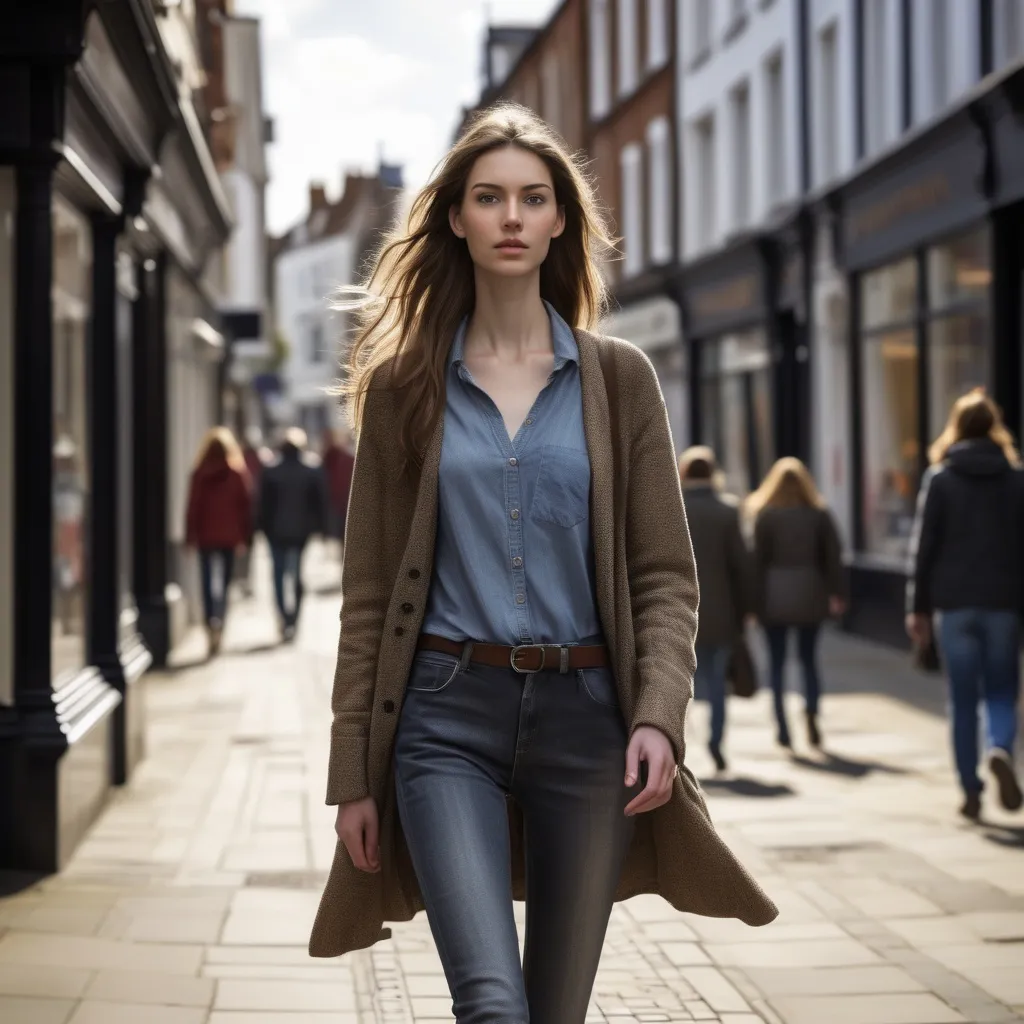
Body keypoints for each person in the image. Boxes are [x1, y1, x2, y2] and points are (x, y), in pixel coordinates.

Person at [308, 103, 777, 1022]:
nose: (512, 217)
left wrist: (658, 715)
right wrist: (351, 776)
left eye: (533, 198)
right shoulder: (404, 386)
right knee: (493, 1005)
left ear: (563, 217)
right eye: (489, 198)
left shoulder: (619, 379)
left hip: (588, 723)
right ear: (457, 218)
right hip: (444, 719)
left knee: (554, 1011)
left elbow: (664, 576)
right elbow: (367, 601)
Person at [906, 388, 1024, 821]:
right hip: (1003, 603)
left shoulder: (941, 478)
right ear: (994, 426)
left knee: (961, 699)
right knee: (1001, 691)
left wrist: (916, 608)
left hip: (953, 606)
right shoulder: (1016, 479)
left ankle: (971, 790)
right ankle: (999, 748)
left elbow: (924, 548)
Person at [748, 457, 846, 750]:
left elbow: (755, 563)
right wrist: (837, 593)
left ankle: (782, 727)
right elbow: (833, 557)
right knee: (808, 660)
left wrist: (751, 604)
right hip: (810, 594)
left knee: (776, 664)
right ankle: (812, 714)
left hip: (773, 597)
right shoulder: (819, 514)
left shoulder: (766, 515)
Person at [678, 446, 755, 773]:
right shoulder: (727, 510)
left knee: (679, 683)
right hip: (722, 611)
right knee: (717, 682)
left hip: (679, 612)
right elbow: (742, 565)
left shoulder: (672, 508)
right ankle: (716, 741)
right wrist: (747, 609)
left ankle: (676, 747)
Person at [257, 426, 329, 641]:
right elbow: (321, 503)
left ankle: (285, 617)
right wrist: (323, 529)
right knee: (296, 574)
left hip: (276, 531)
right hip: (300, 532)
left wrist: (260, 528)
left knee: (278, 575)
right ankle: (293, 618)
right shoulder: (311, 469)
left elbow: (262, 505)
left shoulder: (271, 470)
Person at [184, 427, 252, 655]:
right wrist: (244, 537)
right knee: (224, 584)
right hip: (229, 537)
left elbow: (192, 507)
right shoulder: (236, 473)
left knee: (206, 583)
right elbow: (246, 508)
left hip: (205, 536)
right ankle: (220, 623)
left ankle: (209, 622)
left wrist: (189, 536)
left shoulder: (199, 473)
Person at [237, 427, 269, 598]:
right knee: (249, 549)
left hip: (243, 513)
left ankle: (243, 580)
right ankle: (246, 580)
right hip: (253, 512)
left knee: (243, 549)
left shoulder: (238, 461)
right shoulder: (262, 462)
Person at [321, 427, 355, 562]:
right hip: (340, 504)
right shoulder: (330, 459)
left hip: (343, 504)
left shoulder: (346, 459)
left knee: (344, 538)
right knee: (343, 537)